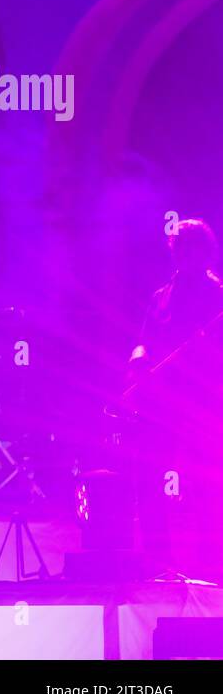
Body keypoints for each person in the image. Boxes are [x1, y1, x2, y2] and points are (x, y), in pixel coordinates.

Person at [124, 218, 223, 580]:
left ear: (205, 251)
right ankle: (157, 561)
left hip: (201, 405)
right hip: (161, 405)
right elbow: (143, 340)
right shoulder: (161, 296)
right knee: (149, 477)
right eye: (179, 247)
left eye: (191, 246)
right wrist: (137, 361)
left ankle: (211, 565)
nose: (184, 253)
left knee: (206, 484)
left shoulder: (217, 296)